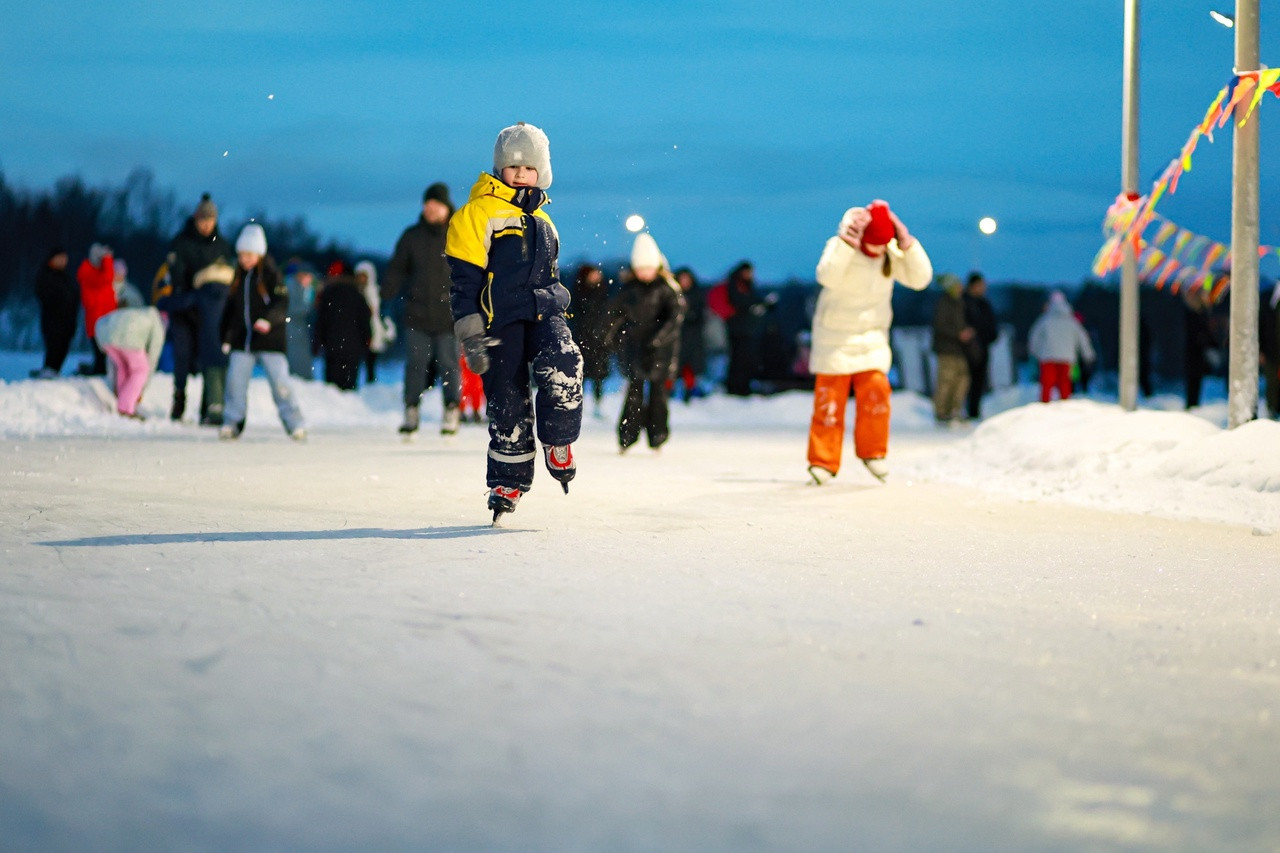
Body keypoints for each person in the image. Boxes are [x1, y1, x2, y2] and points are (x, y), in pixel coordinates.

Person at [445, 121, 583, 521]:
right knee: (507, 399)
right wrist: (470, 328)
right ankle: (508, 478)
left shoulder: (544, 219)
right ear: (498, 170)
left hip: (545, 311)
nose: (520, 173)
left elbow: (550, 275)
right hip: (499, 319)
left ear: (543, 172)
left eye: (529, 167)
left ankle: (558, 441)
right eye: (512, 166)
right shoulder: (477, 214)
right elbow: (464, 280)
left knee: (565, 361)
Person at [806, 200, 932, 484]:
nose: (877, 251)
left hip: (872, 338)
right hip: (835, 338)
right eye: (873, 244)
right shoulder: (842, 247)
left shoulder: (889, 252)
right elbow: (826, 275)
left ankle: (873, 451)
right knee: (829, 402)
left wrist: (906, 243)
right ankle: (823, 461)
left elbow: (921, 278)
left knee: (877, 393)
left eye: (882, 244)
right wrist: (846, 243)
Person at [383, 183, 462, 436]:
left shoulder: (458, 234)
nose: (430, 210)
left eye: (435, 205)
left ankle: (451, 409)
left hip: (449, 315)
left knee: (449, 365)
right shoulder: (412, 236)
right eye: (427, 205)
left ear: (446, 207)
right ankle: (411, 410)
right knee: (416, 364)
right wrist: (387, 292)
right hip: (417, 314)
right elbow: (397, 269)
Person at [218, 224, 306, 441]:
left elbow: (282, 303)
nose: (245, 259)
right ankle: (232, 422)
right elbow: (230, 310)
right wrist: (226, 337)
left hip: (270, 341)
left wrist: (268, 320)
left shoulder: (271, 276)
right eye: (241, 255)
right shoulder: (237, 278)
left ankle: (294, 423)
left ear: (258, 253)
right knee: (234, 383)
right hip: (242, 341)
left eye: (249, 254)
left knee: (280, 384)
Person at [607, 232, 686, 453]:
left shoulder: (667, 288)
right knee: (633, 394)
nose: (644, 273)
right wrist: (611, 336)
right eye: (640, 269)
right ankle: (626, 437)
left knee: (659, 395)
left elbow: (675, 317)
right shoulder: (628, 289)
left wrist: (658, 338)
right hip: (635, 348)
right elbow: (615, 314)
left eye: (648, 268)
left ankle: (658, 436)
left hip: (662, 351)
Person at [162, 193, 236, 423]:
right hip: (186, 306)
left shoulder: (222, 245)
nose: (206, 225)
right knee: (183, 356)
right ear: (196, 219)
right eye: (203, 220)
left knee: (210, 355)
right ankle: (179, 397)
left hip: (210, 310)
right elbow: (176, 278)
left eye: (210, 220)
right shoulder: (182, 243)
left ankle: (210, 405)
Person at [94, 305, 165, 419]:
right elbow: (153, 353)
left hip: (105, 335)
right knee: (141, 370)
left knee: (123, 367)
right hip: (129, 337)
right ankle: (126, 409)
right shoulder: (157, 321)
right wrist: (141, 388)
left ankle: (122, 398)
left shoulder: (140, 312)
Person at [312, 260, 371, 391]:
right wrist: (367, 339)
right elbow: (364, 320)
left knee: (332, 387)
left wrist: (317, 342)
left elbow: (321, 320)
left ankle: (333, 407)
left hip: (332, 345)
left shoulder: (327, 293)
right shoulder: (357, 294)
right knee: (349, 385)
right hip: (353, 347)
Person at [1028, 290, 1095, 403]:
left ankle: (1044, 407)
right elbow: (1082, 338)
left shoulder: (1045, 320)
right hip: (1066, 357)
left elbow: (1034, 338)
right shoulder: (1071, 321)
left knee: (1047, 384)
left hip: (1048, 357)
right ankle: (1064, 406)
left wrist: (1036, 353)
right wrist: (1088, 354)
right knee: (1064, 383)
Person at [569, 263, 612, 416]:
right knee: (581, 374)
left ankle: (597, 405)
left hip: (599, 341)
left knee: (598, 375)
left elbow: (607, 314)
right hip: (582, 339)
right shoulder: (579, 292)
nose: (596, 276)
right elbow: (575, 315)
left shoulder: (604, 291)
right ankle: (580, 405)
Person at [930, 273, 972, 425]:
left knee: (961, 379)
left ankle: (955, 410)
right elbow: (940, 326)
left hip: (959, 349)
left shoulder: (959, 302)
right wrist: (958, 333)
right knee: (946, 380)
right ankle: (942, 412)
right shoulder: (944, 303)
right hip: (946, 349)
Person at [724, 261, 770, 396]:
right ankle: (736, 387)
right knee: (738, 359)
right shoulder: (736, 285)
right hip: (737, 330)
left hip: (747, 330)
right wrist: (752, 307)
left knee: (746, 359)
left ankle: (743, 386)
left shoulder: (747, 286)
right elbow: (738, 301)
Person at [32, 247, 79, 378]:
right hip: (53, 320)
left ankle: (53, 372)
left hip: (68, 321)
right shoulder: (46, 274)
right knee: (54, 347)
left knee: (63, 348)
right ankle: (48, 372)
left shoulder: (66, 277)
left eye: (65, 258)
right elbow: (43, 294)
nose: (63, 261)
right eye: (60, 258)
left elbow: (73, 295)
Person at [76, 242, 117, 376]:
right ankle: (97, 374)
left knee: (104, 354)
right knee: (101, 354)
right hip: (97, 319)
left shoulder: (95, 272)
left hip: (104, 318)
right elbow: (107, 277)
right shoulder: (88, 271)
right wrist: (107, 259)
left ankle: (99, 372)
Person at [962, 271, 998, 419]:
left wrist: (988, 337)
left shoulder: (984, 303)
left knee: (979, 381)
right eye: (980, 285)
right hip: (967, 349)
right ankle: (964, 410)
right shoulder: (964, 302)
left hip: (982, 348)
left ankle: (974, 412)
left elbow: (991, 326)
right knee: (965, 381)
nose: (983, 288)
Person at [355, 260, 394, 385]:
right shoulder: (354, 292)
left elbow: (383, 313)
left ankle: (371, 385)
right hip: (358, 330)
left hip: (374, 330)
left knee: (371, 361)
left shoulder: (377, 292)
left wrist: (387, 330)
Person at [1182, 284, 1219, 409]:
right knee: (1193, 380)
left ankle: (1193, 405)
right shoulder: (1193, 315)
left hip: (1197, 353)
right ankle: (1192, 405)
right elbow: (1199, 334)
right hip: (1194, 353)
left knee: (1196, 381)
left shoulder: (1201, 313)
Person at [674, 266, 708, 403]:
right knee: (673, 364)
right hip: (676, 335)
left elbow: (700, 315)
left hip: (692, 336)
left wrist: (690, 315)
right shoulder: (672, 294)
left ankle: (689, 390)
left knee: (690, 366)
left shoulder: (697, 295)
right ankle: (669, 390)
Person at [283, 259, 317, 379]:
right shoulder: (291, 286)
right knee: (296, 359)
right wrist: (309, 308)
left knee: (301, 358)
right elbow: (293, 309)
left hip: (300, 329)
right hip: (292, 329)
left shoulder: (304, 289)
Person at [1261, 279, 1280, 418]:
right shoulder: (1267, 297)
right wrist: (1260, 350)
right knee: (1272, 385)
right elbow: (1261, 326)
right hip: (1271, 351)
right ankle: (1271, 414)